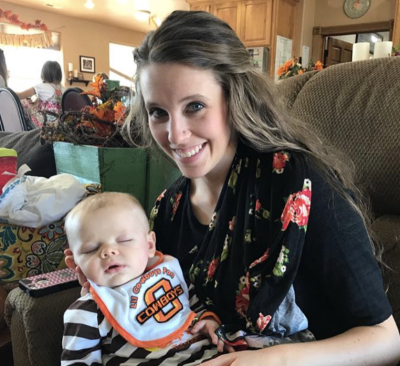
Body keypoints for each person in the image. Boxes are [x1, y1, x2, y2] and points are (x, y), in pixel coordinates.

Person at [67, 11, 400, 366]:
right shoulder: (167, 211)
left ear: (234, 97)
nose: (175, 135)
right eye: (158, 112)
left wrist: (270, 361)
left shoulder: (298, 185)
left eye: (195, 106)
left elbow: (385, 341)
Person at [62, 192, 227, 365]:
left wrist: (207, 320)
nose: (108, 252)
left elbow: (193, 305)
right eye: (90, 249)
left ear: (149, 245)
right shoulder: (86, 313)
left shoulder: (168, 275)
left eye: (124, 240)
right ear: (74, 263)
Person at [17, 60, 64, 128]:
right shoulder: (63, 88)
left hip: (45, 122)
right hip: (59, 122)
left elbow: (19, 96)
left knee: (23, 102)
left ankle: (24, 129)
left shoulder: (42, 86)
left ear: (44, 73)